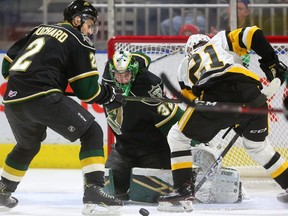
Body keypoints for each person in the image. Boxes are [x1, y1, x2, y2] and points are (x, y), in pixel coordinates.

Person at [0, 0, 124, 213]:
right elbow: (87, 91)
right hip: (43, 98)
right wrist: (109, 95)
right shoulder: (79, 39)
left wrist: (51, 82)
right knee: (92, 132)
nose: (90, 29)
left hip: (12, 99)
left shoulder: (39, 30)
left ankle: (3, 191)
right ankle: (94, 191)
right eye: (89, 23)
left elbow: (6, 66)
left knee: (27, 146)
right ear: (77, 19)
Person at [157, 26, 288, 212]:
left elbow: (194, 103)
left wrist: (223, 119)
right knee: (258, 147)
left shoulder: (183, 66)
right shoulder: (218, 40)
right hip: (252, 92)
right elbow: (253, 33)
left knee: (177, 137)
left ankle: (182, 192)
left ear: (188, 51)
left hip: (215, 93)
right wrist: (271, 61)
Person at [102, 50, 185, 201]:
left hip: (154, 150)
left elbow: (171, 117)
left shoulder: (148, 85)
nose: (122, 80)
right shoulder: (107, 79)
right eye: (118, 75)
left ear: (133, 72)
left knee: (147, 196)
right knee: (109, 191)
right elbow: (141, 57)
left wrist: (191, 137)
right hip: (123, 149)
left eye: (126, 75)